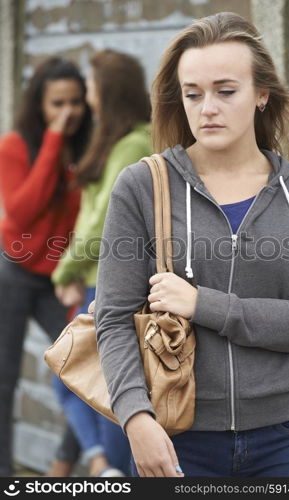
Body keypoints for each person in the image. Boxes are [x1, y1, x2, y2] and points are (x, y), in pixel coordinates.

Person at [94, 12, 289, 478]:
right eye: (193, 94)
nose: (207, 108)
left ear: (262, 95)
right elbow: (113, 318)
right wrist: (136, 418)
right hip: (177, 438)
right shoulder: (142, 186)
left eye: (225, 91)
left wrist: (204, 304)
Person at [51, 49, 152, 477]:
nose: (87, 95)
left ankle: (109, 466)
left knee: (104, 386)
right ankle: (102, 462)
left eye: (91, 86)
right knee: (74, 377)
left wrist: (65, 271)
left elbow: (103, 226)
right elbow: (88, 217)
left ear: (107, 90)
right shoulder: (117, 139)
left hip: (111, 285)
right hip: (93, 279)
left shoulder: (134, 144)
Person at [0, 57, 92, 477]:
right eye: (57, 103)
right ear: (39, 104)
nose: (68, 113)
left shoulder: (91, 145)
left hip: (61, 282)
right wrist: (54, 140)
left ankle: (64, 464)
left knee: (89, 368)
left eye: (76, 103)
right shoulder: (16, 146)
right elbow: (22, 213)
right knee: (4, 381)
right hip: (15, 274)